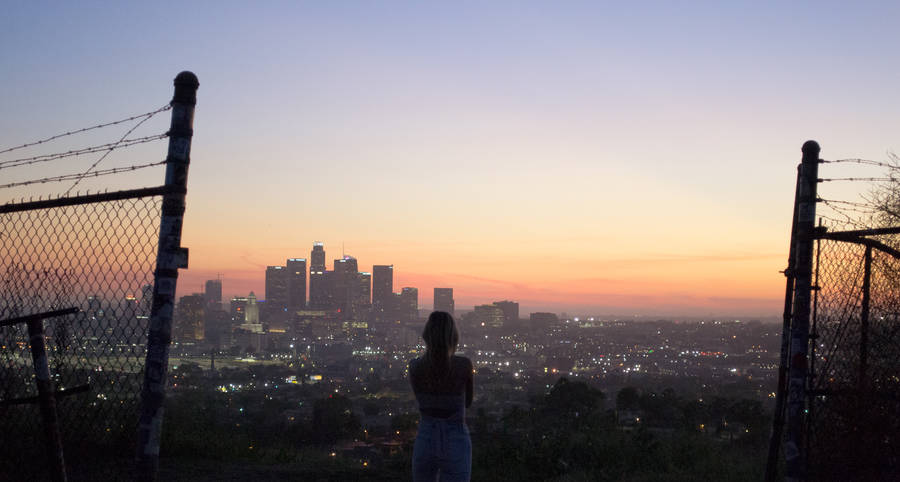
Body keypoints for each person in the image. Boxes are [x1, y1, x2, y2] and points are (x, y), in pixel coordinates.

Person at [408, 311, 474, 481]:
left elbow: (421, 400)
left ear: (426, 335)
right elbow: (467, 402)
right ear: (453, 336)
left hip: (426, 437)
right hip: (455, 437)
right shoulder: (464, 365)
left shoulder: (415, 366)